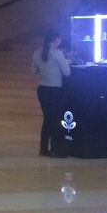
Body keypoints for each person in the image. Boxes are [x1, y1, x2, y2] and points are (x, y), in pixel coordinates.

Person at [32, 29, 71, 157]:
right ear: (56, 39)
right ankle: (55, 149)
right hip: (55, 90)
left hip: (42, 90)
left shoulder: (36, 53)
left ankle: (44, 148)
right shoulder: (58, 54)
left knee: (48, 119)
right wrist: (67, 62)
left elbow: (33, 71)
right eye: (60, 39)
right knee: (54, 119)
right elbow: (67, 73)